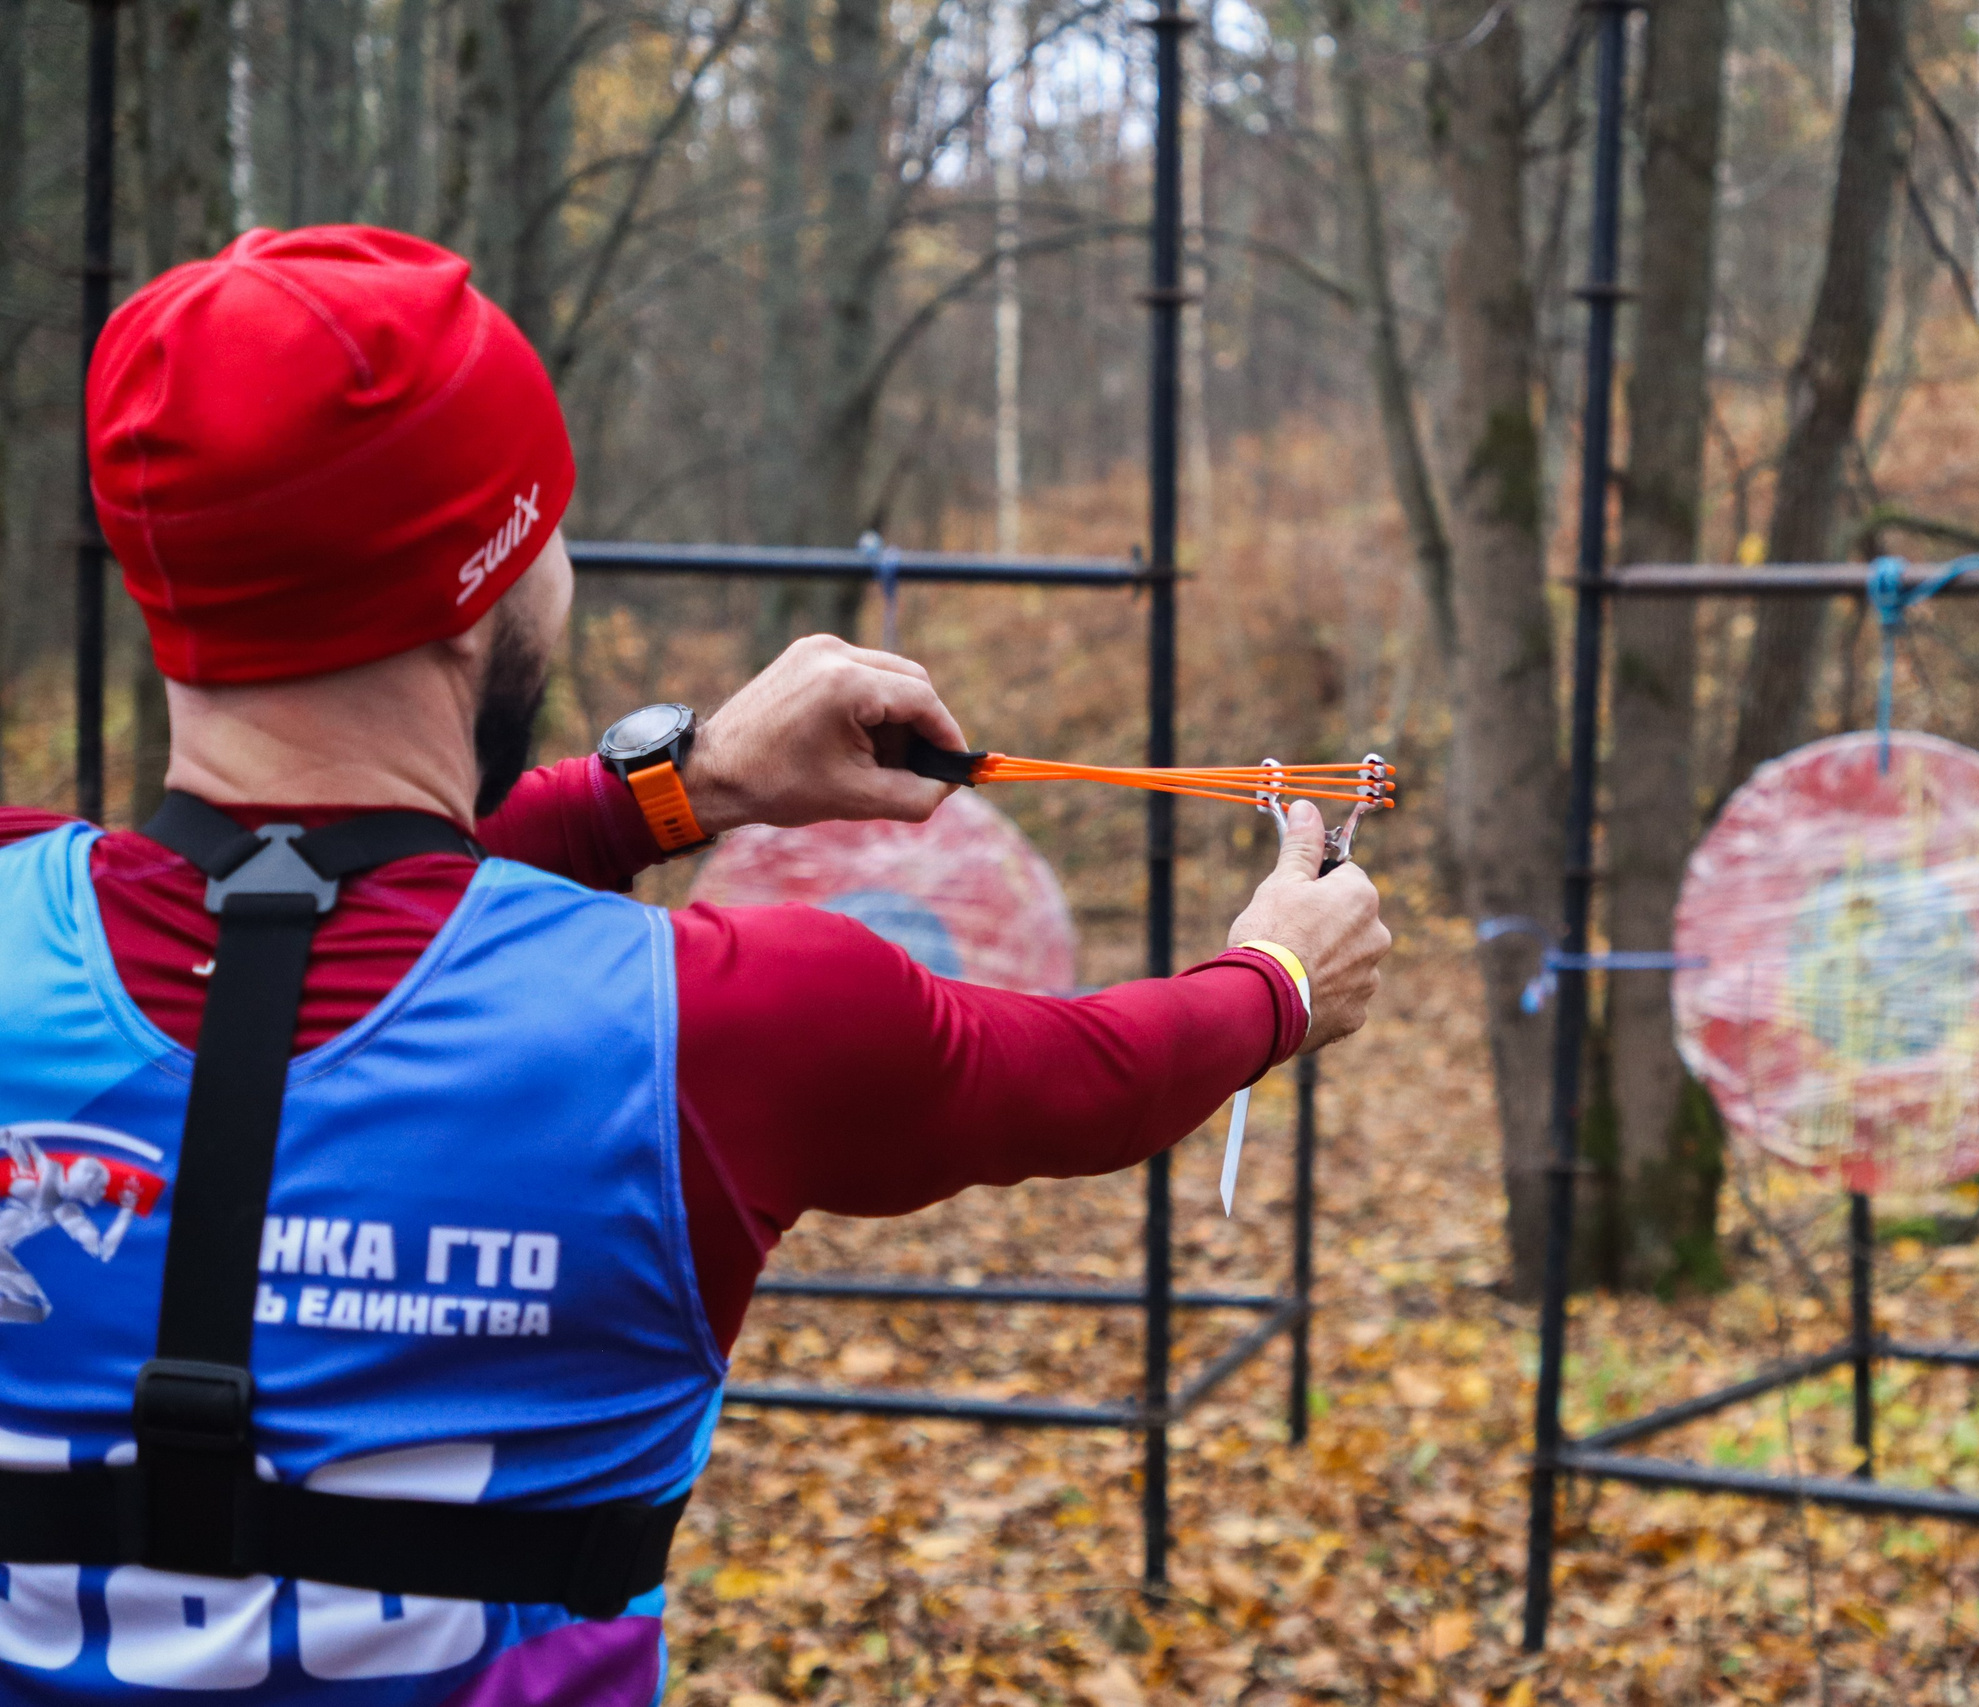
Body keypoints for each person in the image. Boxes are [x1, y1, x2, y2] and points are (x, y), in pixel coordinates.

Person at [0, 226, 1389, 1703]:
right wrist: (1279, 980)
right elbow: (1090, 1079)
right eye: (548, 530)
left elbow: (294, 900)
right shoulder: (711, 1028)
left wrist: (687, 786)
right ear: (485, 591)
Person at [0, 1130, 141, 1323]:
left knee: (36, 1309)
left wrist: (127, 1212)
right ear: (87, 1179)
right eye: (101, 1186)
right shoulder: (42, 1166)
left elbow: (103, 1250)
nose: (102, 1193)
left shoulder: (66, 1211)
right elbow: (10, 1138)